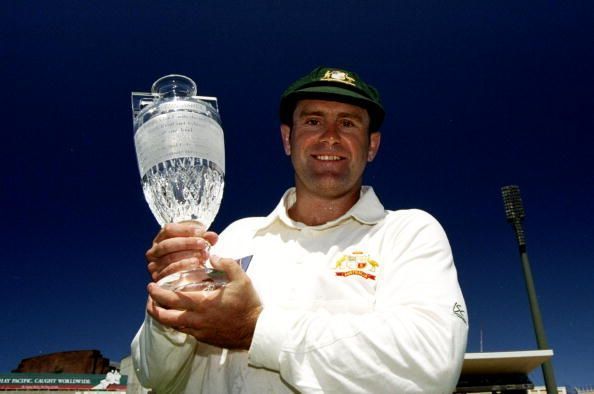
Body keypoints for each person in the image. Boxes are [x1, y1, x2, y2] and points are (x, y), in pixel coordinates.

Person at [131, 66, 468, 393]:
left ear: (372, 146)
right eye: (312, 120)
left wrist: (255, 327)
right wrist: (171, 311)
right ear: (287, 139)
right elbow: (154, 377)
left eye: (348, 123)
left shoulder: (408, 232)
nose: (331, 137)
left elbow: (430, 368)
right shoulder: (234, 236)